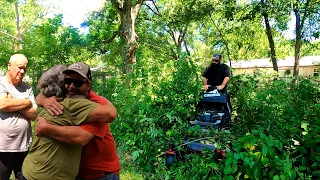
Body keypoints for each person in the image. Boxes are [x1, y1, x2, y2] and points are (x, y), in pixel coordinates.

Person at [21, 64, 117, 180]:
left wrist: (46, 128)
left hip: (100, 173)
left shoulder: (95, 105)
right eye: (68, 81)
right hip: (75, 172)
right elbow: (40, 95)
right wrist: (44, 100)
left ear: (88, 85)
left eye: (78, 83)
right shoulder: (65, 97)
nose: (71, 86)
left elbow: (81, 137)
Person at [0, 54, 38, 180]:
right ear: (9, 66)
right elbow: (3, 104)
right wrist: (26, 102)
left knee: (23, 178)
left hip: (23, 146)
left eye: (24, 69)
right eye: (20, 67)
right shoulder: (1, 82)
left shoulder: (27, 88)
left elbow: (34, 114)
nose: (22, 71)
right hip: (3, 147)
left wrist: (14, 101)